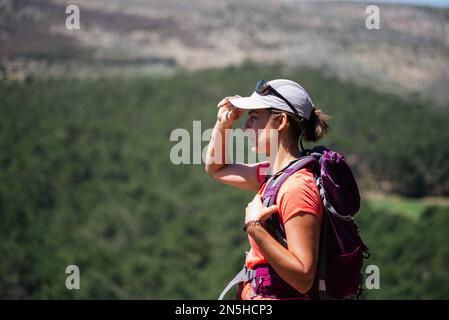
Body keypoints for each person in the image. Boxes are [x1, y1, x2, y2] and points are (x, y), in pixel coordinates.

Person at [204, 79, 330, 300]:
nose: (245, 127)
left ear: (280, 121)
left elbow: (303, 278)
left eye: (253, 118)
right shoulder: (273, 175)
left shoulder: (297, 187)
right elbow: (217, 168)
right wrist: (223, 125)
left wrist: (254, 227)